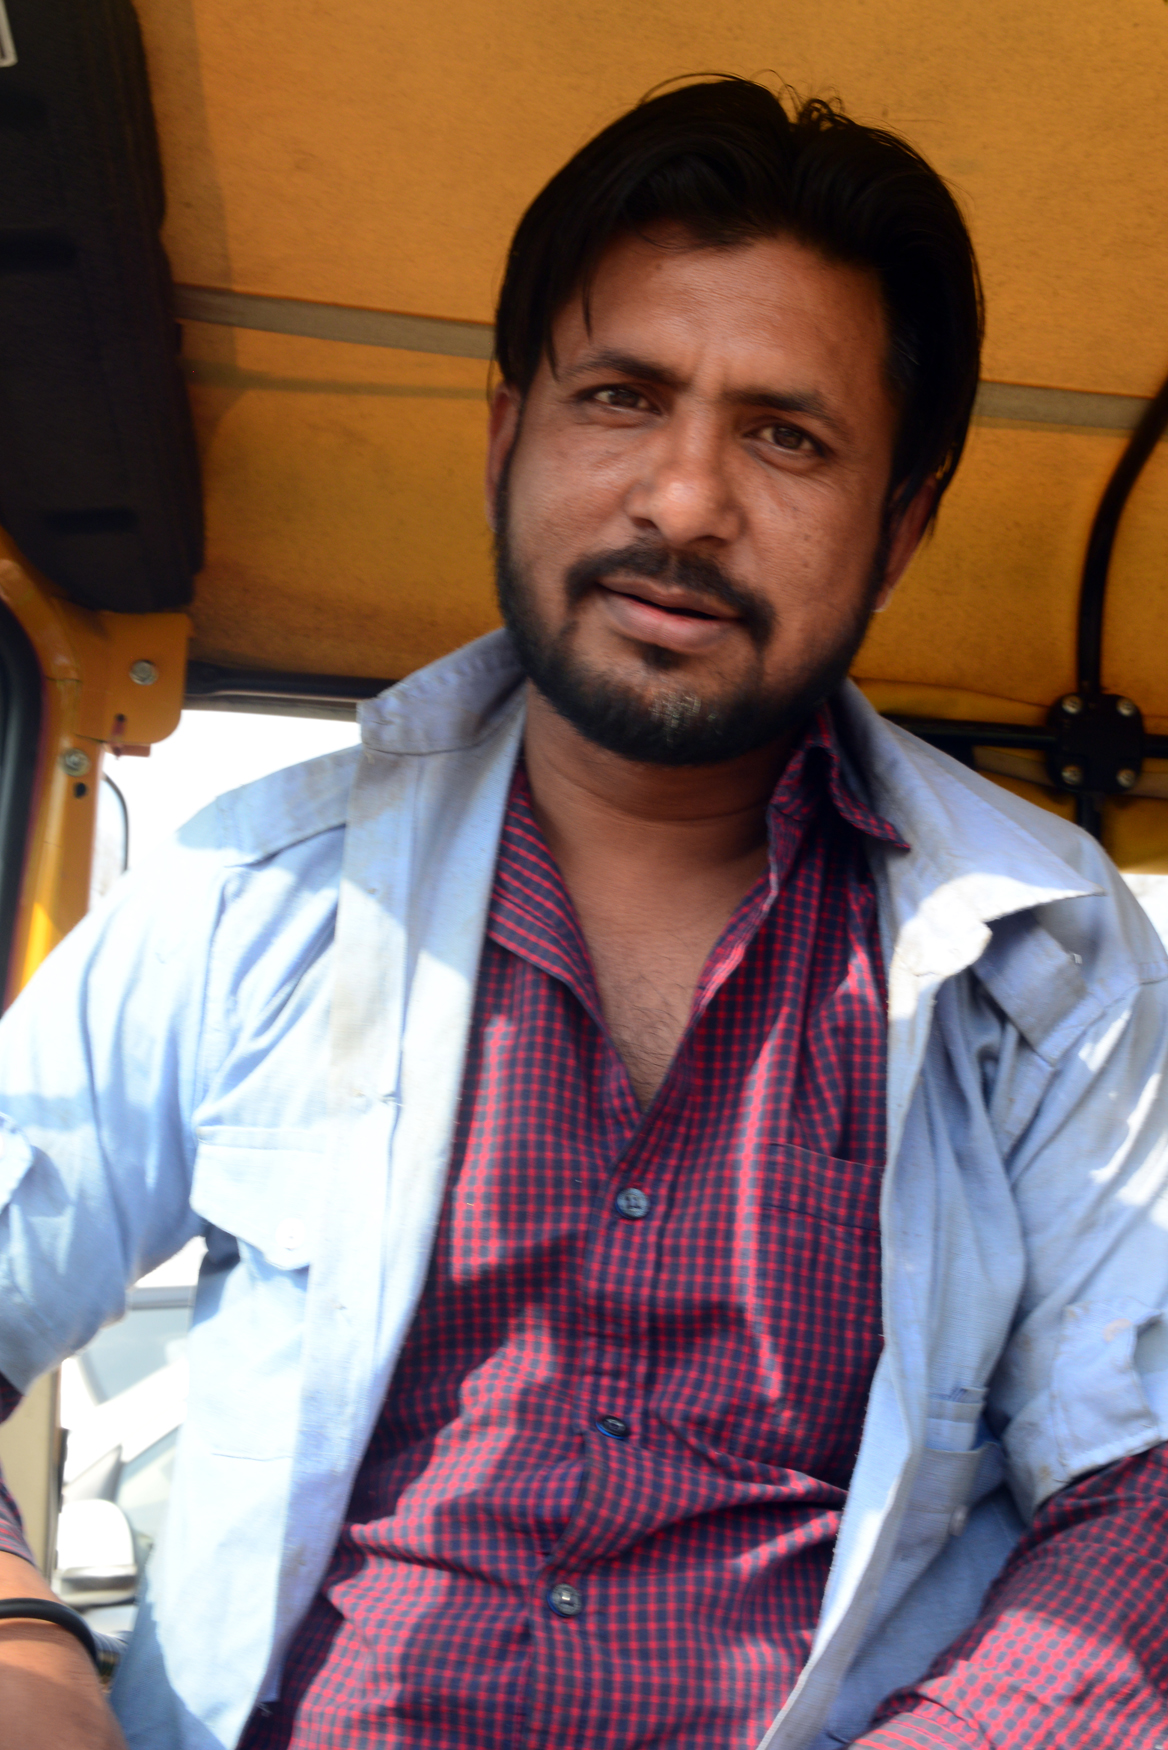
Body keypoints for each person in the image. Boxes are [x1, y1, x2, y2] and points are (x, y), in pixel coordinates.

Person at [1, 74, 1167, 1750]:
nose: (684, 502)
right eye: (623, 398)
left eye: (787, 436)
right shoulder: (252, 892)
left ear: (900, 527)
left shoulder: (1050, 959)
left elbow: (1142, 1494)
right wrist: (26, 1648)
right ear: (507, 441)